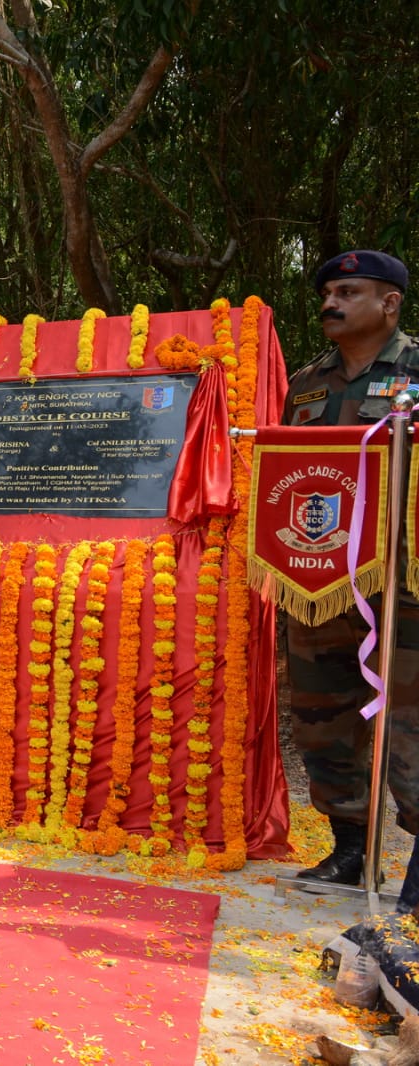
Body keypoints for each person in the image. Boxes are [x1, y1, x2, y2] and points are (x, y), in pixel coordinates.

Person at [281, 249, 419, 908]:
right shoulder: (307, 384)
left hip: (407, 579)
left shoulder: (416, 369)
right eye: (328, 292)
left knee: (413, 722)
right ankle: (348, 849)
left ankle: (417, 873)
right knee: (322, 712)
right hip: (321, 574)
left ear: (389, 304)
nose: (331, 302)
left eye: (349, 291)